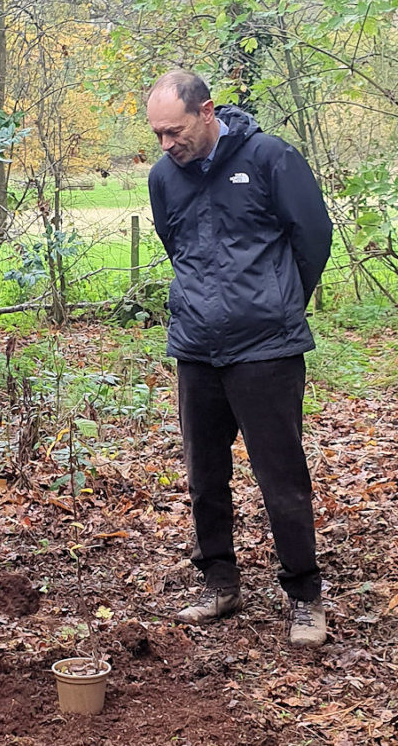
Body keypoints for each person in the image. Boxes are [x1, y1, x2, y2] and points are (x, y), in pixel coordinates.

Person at [146, 70, 332, 647]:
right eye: (157, 134)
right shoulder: (163, 178)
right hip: (196, 349)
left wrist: (277, 302)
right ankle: (219, 584)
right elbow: (175, 246)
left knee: (281, 477)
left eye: (174, 131)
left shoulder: (271, 157)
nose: (166, 144)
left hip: (267, 350)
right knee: (205, 474)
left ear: (207, 112)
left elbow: (313, 237)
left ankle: (304, 596)